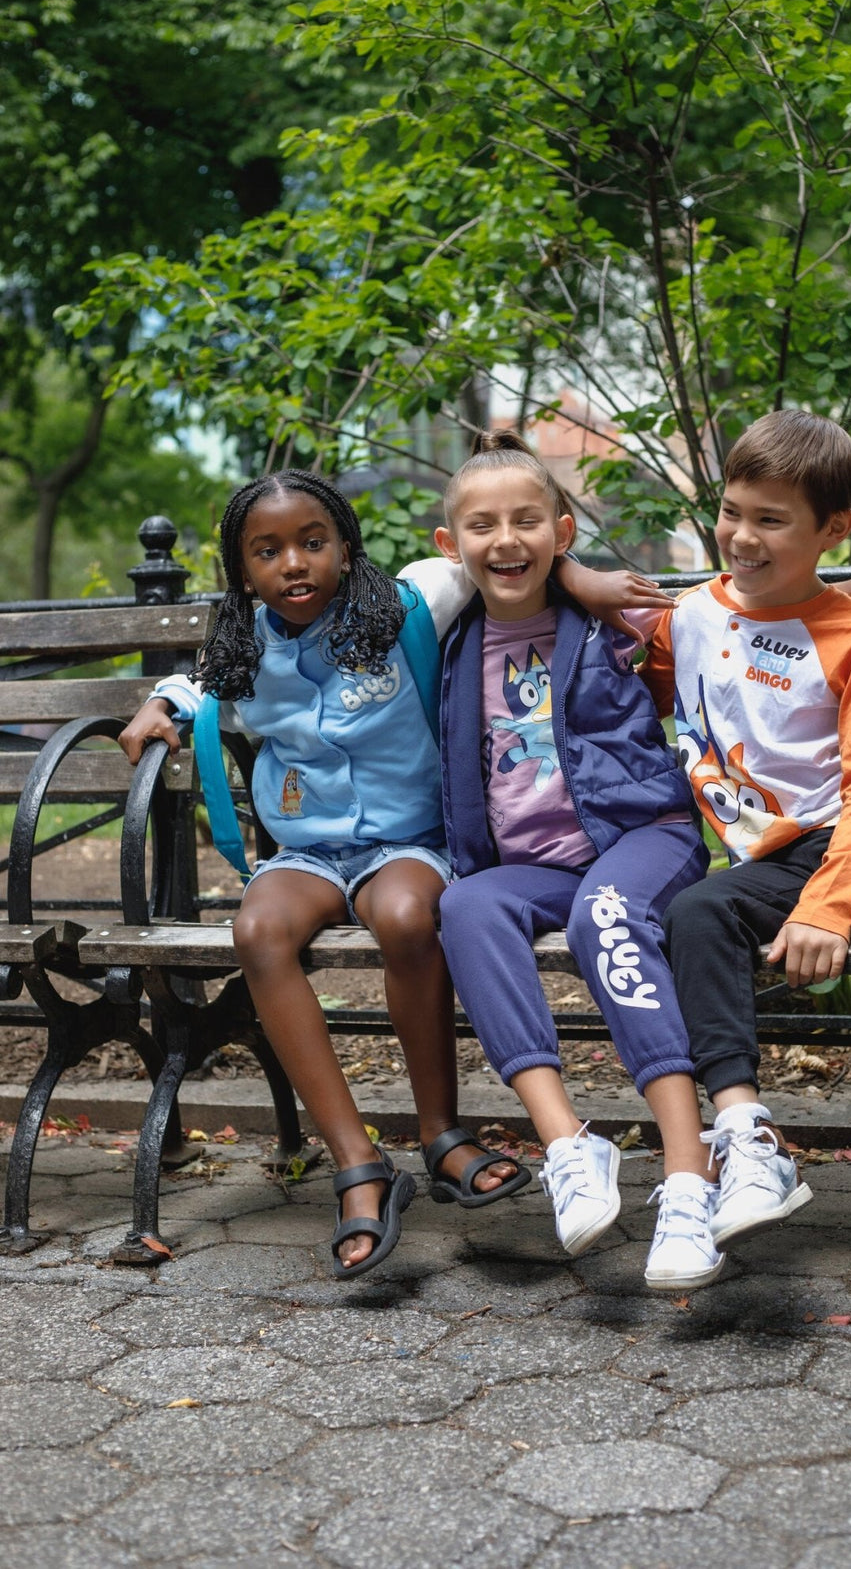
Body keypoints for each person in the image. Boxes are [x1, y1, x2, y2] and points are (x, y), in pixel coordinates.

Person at [116, 470, 542, 1279]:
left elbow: (502, 557)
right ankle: (358, 1161)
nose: (294, 564)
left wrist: (583, 572)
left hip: (408, 841)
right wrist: (160, 704)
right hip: (307, 854)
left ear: (346, 546)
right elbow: (199, 679)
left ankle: (441, 1132)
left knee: (411, 916)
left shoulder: (411, 602)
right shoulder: (245, 643)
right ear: (243, 571)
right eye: (268, 551)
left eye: (313, 541)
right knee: (258, 928)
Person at [639, 410, 851, 1254]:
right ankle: (747, 1138)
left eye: (770, 520)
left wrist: (829, 906)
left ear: (834, 528)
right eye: (731, 510)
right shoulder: (685, 619)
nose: (740, 537)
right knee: (696, 913)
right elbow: (624, 665)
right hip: (770, 855)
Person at [433, 430, 732, 1290]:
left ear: (562, 531)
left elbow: (730, 610)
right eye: (483, 526)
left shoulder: (609, 618)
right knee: (466, 907)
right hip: (533, 865)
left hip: (640, 838)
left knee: (606, 915)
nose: (506, 539)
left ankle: (687, 1172)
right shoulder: (450, 637)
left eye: (528, 521)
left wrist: (846, 591)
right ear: (453, 547)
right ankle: (568, 1143)